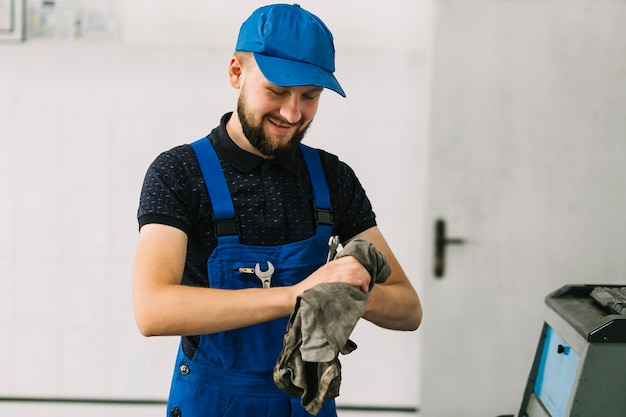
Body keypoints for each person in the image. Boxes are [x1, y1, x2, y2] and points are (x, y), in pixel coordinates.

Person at [132, 3, 422, 417]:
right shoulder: (179, 173)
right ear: (236, 72)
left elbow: (408, 308)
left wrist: (350, 295)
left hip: (307, 406)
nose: (292, 113)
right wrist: (297, 295)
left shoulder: (332, 177)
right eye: (277, 91)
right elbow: (152, 309)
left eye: (309, 96)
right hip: (213, 404)